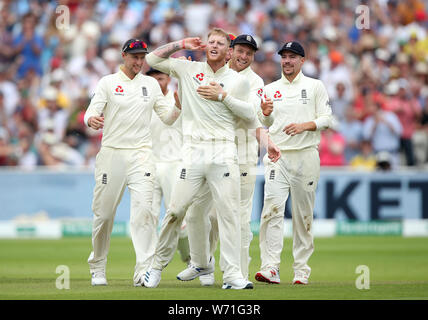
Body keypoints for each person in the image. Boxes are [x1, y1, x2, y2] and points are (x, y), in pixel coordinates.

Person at [143, 28, 255, 290]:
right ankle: (156, 266)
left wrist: (222, 96)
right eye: (211, 42)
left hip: (224, 152)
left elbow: (250, 115)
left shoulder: (237, 81)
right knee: (175, 211)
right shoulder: (188, 70)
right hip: (193, 152)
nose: (214, 46)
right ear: (206, 46)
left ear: (229, 51)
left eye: (221, 43)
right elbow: (152, 60)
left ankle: (232, 275)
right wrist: (180, 44)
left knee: (228, 215)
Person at [179, 34, 281, 286]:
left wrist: (267, 141)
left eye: (249, 53)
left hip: (242, 156)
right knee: (199, 214)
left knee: (236, 217)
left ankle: (236, 274)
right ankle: (203, 265)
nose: (244, 57)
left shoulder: (255, 82)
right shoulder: (211, 73)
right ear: (230, 51)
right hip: (207, 154)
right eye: (240, 51)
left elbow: (256, 119)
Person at [84, 38, 181, 287]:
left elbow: (167, 118)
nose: (139, 61)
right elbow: (91, 111)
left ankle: (143, 270)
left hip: (141, 154)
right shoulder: (108, 82)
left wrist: (178, 107)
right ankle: (97, 266)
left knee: (144, 213)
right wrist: (91, 120)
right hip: (112, 153)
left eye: (142, 57)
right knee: (104, 215)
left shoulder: (150, 84)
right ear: (123, 56)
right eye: (134, 57)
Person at [255, 41, 332, 285]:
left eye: (292, 57)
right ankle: (270, 268)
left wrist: (304, 126)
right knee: (271, 211)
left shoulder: (314, 86)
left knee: (302, 216)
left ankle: (301, 270)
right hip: (278, 157)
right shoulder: (270, 89)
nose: (287, 61)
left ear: (302, 60)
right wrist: (265, 113)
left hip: (306, 155)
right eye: (284, 57)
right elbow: (261, 123)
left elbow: (327, 119)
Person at [147, 68, 191, 266]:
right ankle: (147, 263)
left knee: (177, 217)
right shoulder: (143, 102)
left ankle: (189, 257)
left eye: (160, 78)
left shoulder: (177, 98)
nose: (157, 82)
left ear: (168, 79)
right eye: (153, 79)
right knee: (147, 217)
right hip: (148, 163)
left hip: (173, 163)